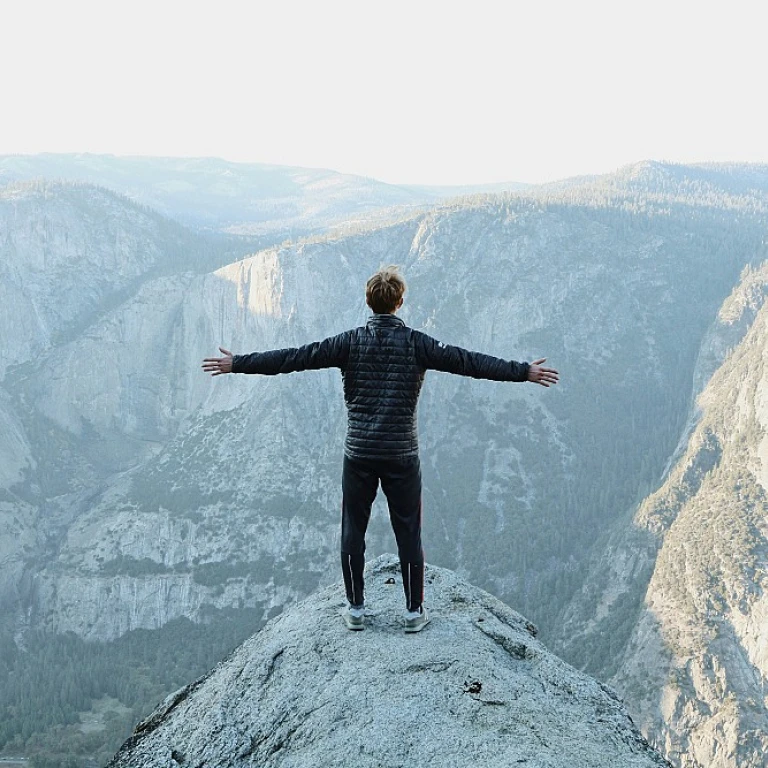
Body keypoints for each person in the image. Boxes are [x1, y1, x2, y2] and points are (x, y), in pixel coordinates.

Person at [202, 266, 559, 633]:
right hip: (402, 455)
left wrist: (237, 364)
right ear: (400, 302)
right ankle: (413, 612)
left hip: (358, 454)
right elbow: (469, 362)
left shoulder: (349, 342)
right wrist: (522, 372)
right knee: (409, 532)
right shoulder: (418, 344)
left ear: (368, 302)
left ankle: (355, 609)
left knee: (352, 529)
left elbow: (293, 358)